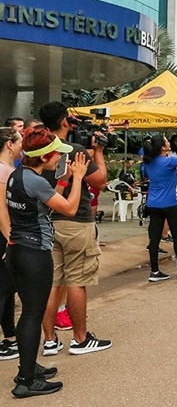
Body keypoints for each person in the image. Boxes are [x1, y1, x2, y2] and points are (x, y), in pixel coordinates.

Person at [4, 128, 88, 397]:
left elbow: (46, 201)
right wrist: (78, 179)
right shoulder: (35, 181)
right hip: (34, 253)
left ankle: (27, 368)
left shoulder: (18, 175)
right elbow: (71, 209)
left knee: (29, 311)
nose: (58, 160)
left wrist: (62, 181)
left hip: (17, 250)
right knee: (32, 314)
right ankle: (26, 381)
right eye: (56, 156)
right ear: (44, 157)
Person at [37, 102, 109, 358]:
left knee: (53, 282)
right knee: (77, 280)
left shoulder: (37, 150)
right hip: (76, 221)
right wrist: (98, 152)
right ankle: (80, 339)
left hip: (46, 221)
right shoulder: (74, 150)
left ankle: (49, 339)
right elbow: (100, 181)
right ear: (65, 122)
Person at [142, 134, 177, 283]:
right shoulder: (168, 161)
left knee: (155, 238)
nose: (169, 142)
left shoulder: (149, 162)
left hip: (153, 204)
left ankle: (154, 271)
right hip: (169, 203)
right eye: (166, 141)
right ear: (163, 147)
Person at [0, 128, 22, 361]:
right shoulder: (3, 171)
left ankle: (10, 337)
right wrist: (9, 238)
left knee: (7, 290)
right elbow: (1, 209)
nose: (22, 146)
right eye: (20, 141)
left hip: (7, 236)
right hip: (4, 237)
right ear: (9, 144)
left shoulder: (9, 169)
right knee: (3, 289)